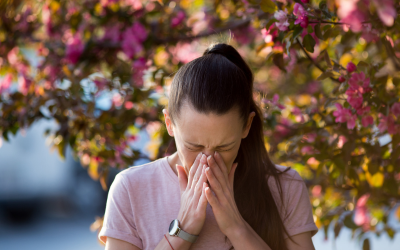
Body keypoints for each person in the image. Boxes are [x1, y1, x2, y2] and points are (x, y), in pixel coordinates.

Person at [98, 43, 318, 250]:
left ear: (247, 126)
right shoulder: (131, 188)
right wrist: (181, 231)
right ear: (169, 124)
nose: (208, 159)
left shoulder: (285, 187)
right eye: (194, 146)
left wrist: (236, 227)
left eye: (224, 147)